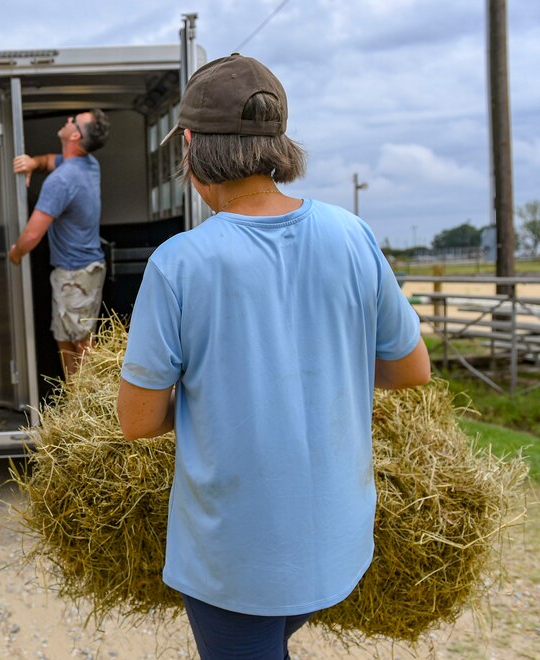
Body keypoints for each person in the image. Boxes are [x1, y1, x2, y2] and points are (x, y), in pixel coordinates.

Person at [117, 54, 431, 659]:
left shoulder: (180, 262)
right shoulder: (352, 234)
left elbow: (136, 422)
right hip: (336, 539)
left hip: (238, 555)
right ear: (277, 144)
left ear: (190, 147)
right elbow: (411, 368)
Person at [8, 109, 111, 377]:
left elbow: (32, 235)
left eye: (73, 120)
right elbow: (48, 161)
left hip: (76, 274)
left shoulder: (62, 181)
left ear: (75, 134)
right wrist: (32, 163)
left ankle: (90, 408)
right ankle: (75, 403)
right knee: (67, 337)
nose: (67, 120)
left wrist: (16, 253)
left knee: (80, 342)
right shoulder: (88, 164)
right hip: (81, 270)